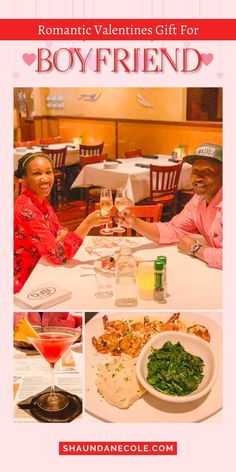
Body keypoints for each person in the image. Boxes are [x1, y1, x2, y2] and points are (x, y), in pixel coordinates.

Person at [14, 152, 110, 293]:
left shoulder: (41, 200)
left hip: (44, 265)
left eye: (48, 172)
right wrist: (87, 223)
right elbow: (57, 255)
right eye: (37, 173)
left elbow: (57, 230)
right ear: (24, 178)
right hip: (28, 279)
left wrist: (59, 239)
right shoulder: (24, 208)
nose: (45, 178)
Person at [119, 143, 222, 269]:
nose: (198, 178)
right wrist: (134, 223)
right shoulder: (199, 199)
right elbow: (173, 229)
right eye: (195, 170)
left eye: (208, 171)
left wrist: (195, 249)